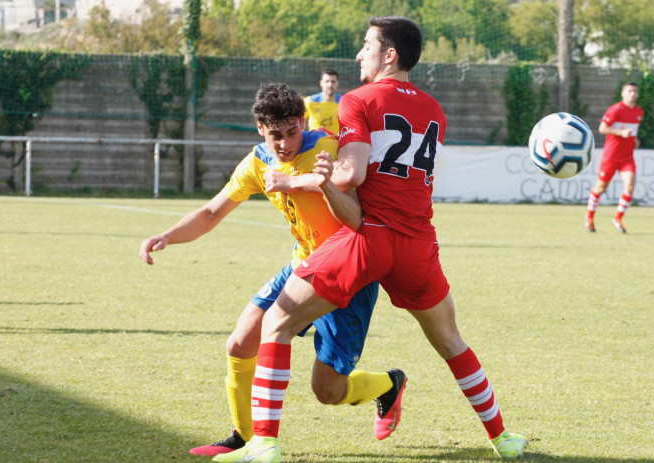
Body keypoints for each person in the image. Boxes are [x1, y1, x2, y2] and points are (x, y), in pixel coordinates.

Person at [215, 17, 527, 463]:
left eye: (366, 46)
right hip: (418, 244)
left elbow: (351, 175)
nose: (359, 54)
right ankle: (504, 439)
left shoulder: (357, 99)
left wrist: (308, 178)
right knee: (451, 342)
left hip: (370, 238)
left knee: (277, 324)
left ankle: (264, 445)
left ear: (389, 55)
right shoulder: (435, 109)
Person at [139, 83, 406, 457]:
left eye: (291, 132)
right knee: (240, 342)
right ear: (261, 130)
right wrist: (168, 235)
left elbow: (357, 216)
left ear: (302, 122)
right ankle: (243, 439)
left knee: (328, 391)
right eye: (274, 134)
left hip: (348, 273)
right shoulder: (258, 161)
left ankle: (388, 385)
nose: (283, 143)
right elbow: (213, 211)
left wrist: (315, 183)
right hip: (302, 264)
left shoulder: (326, 150)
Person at [585, 82, 643, 233]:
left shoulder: (639, 112)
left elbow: (633, 131)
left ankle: (618, 218)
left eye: (635, 91)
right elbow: (602, 128)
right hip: (611, 156)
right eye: (630, 91)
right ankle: (590, 217)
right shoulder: (616, 110)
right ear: (623, 94)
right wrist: (620, 133)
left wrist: (634, 140)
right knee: (600, 188)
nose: (633, 94)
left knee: (630, 186)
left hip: (627, 158)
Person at [303, 68, 342, 133]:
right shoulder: (309, 102)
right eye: (327, 81)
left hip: (336, 141)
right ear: (321, 83)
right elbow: (299, 123)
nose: (330, 85)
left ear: (337, 83)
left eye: (333, 82)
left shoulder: (344, 103)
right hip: (315, 142)